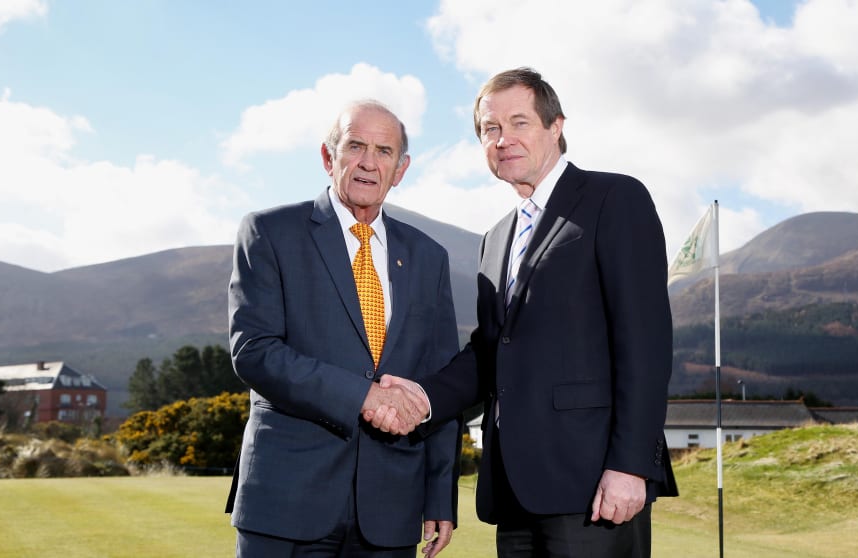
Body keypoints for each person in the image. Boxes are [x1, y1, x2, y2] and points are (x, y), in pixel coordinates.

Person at [368, 68, 677, 557]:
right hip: (514, 493)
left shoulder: (615, 199)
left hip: (594, 485)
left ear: (556, 126)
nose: (503, 139)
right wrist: (424, 396)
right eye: (490, 130)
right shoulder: (495, 239)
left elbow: (646, 344)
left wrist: (631, 465)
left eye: (519, 123)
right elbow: (491, 352)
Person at [226, 99, 460, 558]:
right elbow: (254, 350)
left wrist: (438, 494)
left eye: (384, 151)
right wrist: (364, 396)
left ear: (401, 168)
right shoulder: (270, 232)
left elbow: (440, 380)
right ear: (328, 156)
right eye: (355, 146)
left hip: (390, 510)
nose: (369, 163)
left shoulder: (429, 257)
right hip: (288, 501)